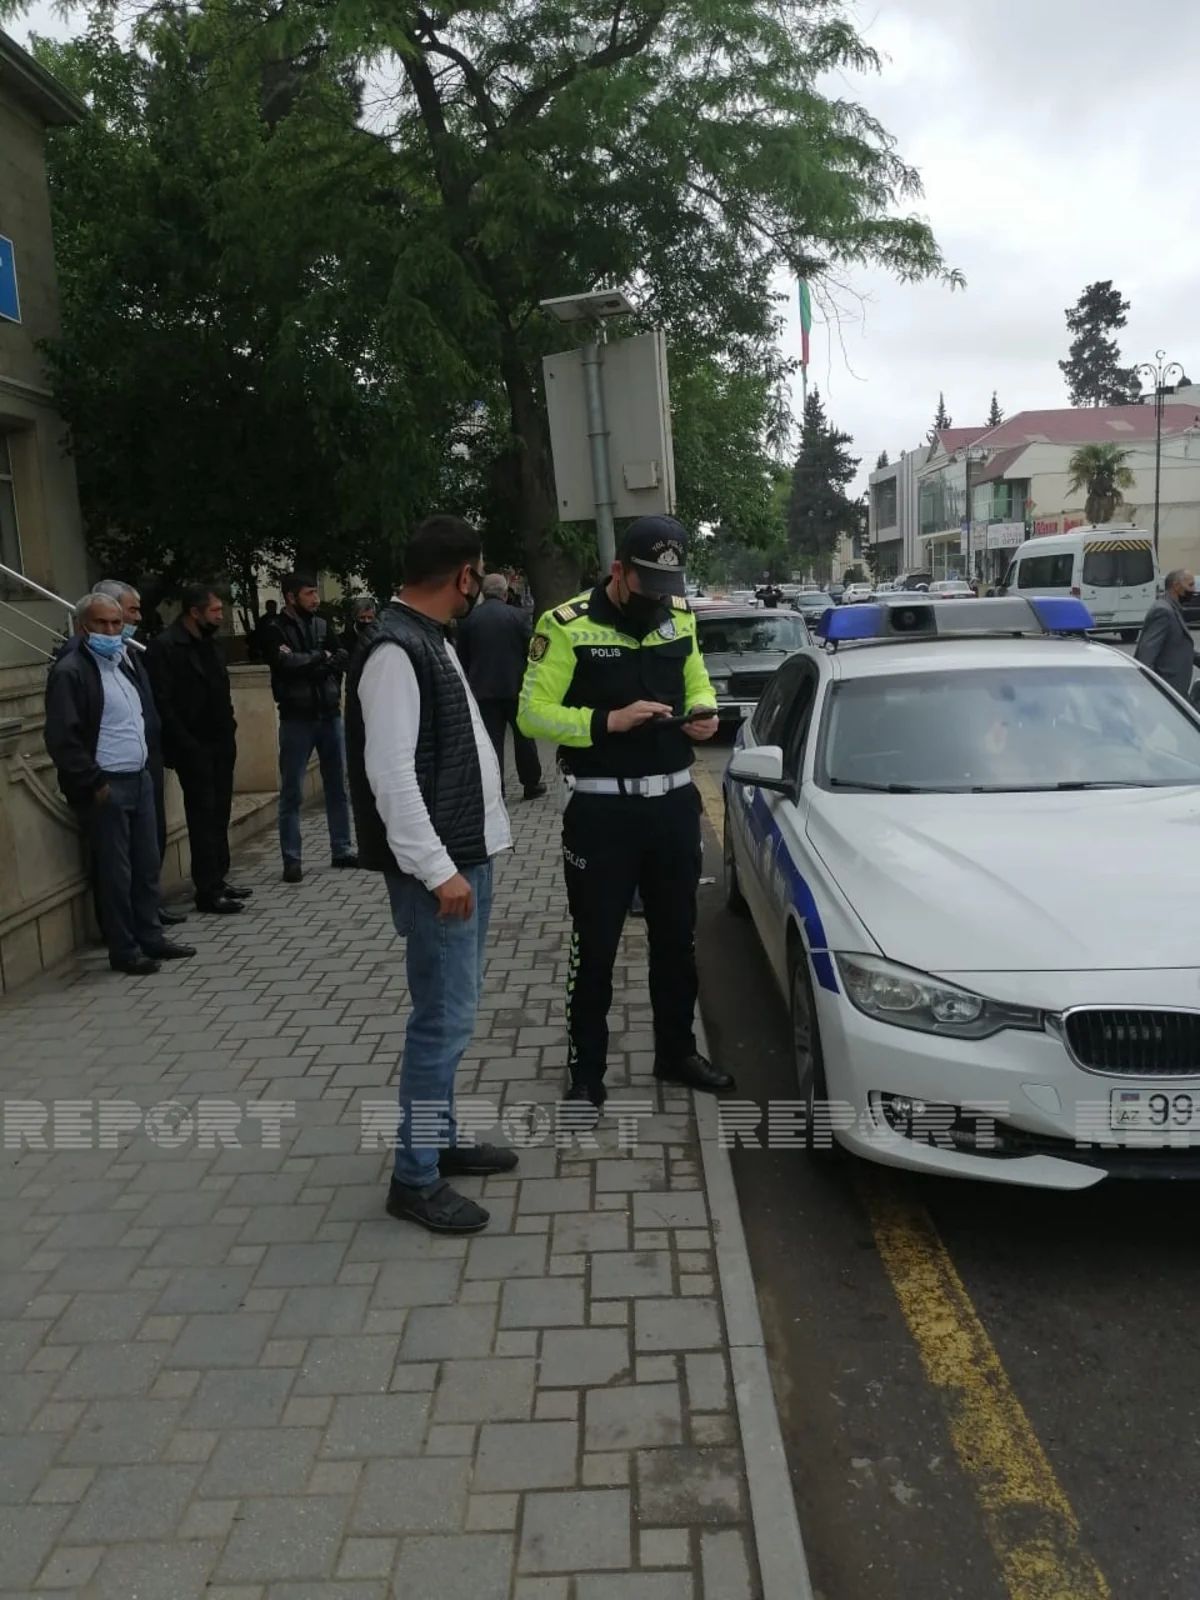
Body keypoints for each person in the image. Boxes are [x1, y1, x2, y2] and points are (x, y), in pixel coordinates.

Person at [519, 515, 737, 1110]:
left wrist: (703, 711)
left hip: (671, 802)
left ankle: (676, 1052)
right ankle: (586, 1071)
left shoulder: (679, 616)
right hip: (601, 810)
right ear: (619, 572)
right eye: (648, 585)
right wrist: (604, 722)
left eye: (669, 585)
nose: (659, 599)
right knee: (596, 946)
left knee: (677, 939)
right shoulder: (565, 626)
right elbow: (532, 713)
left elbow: (695, 679)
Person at [345, 515, 516, 1235]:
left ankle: (439, 1139)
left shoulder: (426, 639)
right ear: (465, 575)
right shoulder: (394, 650)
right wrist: (440, 871)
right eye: (478, 572)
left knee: (451, 1015)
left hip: (461, 856)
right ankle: (414, 1178)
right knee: (441, 1022)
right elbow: (390, 776)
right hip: (439, 870)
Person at [44, 594, 195, 974]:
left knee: (146, 865)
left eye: (116, 622)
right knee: (116, 873)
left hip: (139, 777)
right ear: (83, 628)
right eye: (103, 624)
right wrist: (93, 782)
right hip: (107, 785)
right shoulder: (72, 671)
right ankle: (124, 949)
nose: (113, 630)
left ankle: (151, 937)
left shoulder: (123, 662)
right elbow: (64, 737)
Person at [146, 584, 247, 915]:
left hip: (220, 741)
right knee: (202, 817)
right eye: (215, 610)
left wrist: (230, 727)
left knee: (219, 814)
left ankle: (219, 877)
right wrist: (186, 745)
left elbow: (222, 690)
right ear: (195, 612)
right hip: (192, 745)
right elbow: (162, 701)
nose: (220, 616)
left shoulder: (212, 645)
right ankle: (207, 889)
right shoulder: (165, 647)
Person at [93, 579, 188, 927]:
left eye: (123, 620)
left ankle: (149, 917)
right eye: (127, 612)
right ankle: (122, 930)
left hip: (145, 761)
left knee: (150, 847)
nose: (131, 621)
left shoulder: (129, 653)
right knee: (118, 859)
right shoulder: (85, 666)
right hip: (112, 775)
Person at [264, 573, 358, 884]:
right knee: (292, 791)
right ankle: (292, 858)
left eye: (316, 592)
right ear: (291, 597)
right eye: (308, 593)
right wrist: (320, 658)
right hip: (296, 719)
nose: (315, 599)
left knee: (337, 787)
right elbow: (285, 665)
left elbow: (343, 656)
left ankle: (342, 848)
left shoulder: (322, 624)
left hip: (329, 715)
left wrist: (313, 662)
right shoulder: (275, 627)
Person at [454, 572, 546, 802]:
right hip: (517, 686)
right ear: (505, 594)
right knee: (524, 736)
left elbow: (462, 657)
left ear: (483, 593)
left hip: (482, 690)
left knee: (491, 741)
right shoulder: (519, 616)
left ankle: (497, 788)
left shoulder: (469, 620)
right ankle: (531, 783)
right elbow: (534, 653)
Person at [1134, 570, 1200, 699]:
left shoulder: (1173, 609)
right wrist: (1153, 693)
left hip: (1175, 692)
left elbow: (1179, 648)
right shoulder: (1162, 611)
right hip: (1166, 693)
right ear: (1176, 586)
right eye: (1191, 585)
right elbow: (1146, 657)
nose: (1194, 590)